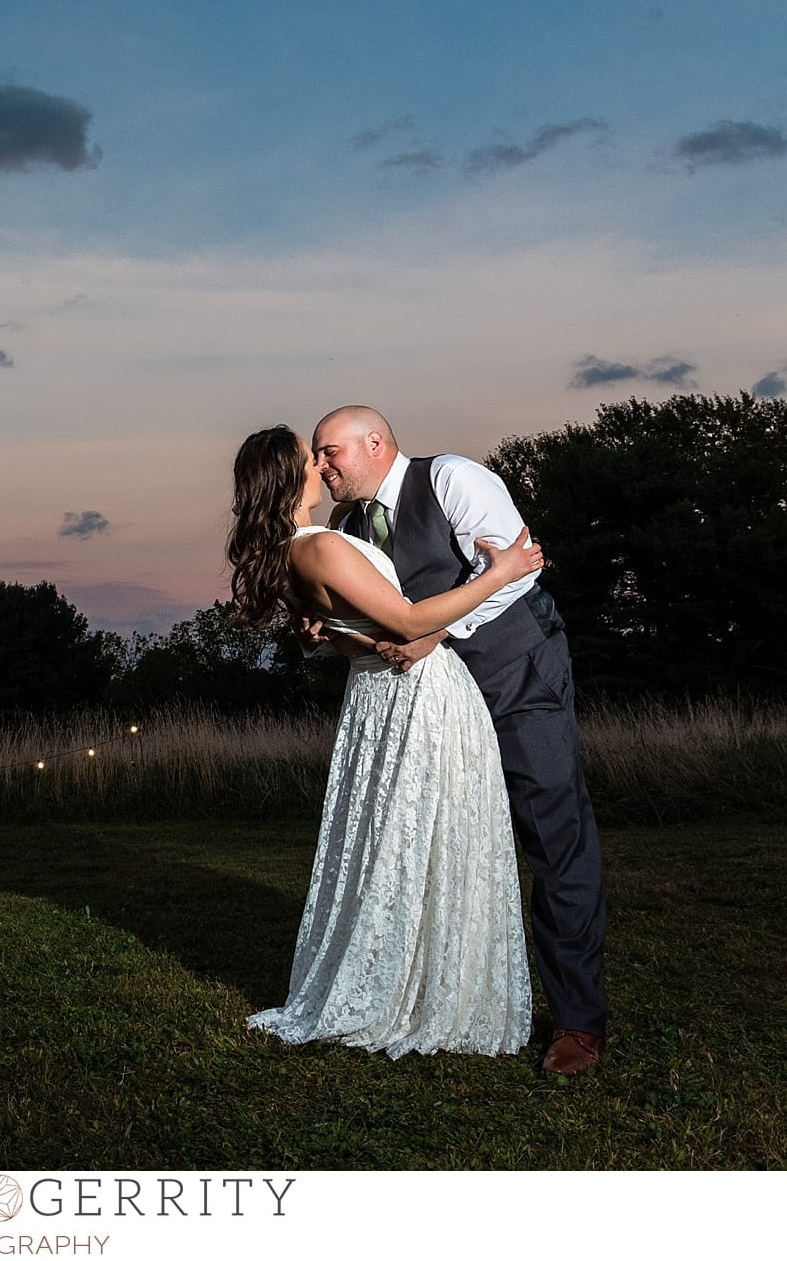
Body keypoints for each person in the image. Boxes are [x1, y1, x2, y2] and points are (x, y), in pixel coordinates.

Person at [310, 405, 608, 1077]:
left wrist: (437, 633)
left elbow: (519, 570)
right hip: (430, 705)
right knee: (445, 847)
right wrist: (332, 630)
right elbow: (378, 627)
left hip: (516, 673)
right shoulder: (347, 527)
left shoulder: (451, 480)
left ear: (375, 443)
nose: (321, 467)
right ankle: (446, 995)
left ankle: (579, 1021)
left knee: (553, 831)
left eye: (330, 453)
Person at [229, 425, 541, 1059]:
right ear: (289, 478)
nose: (321, 463)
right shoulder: (319, 545)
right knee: (435, 832)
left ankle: (413, 978)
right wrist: (500, 570)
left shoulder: (294, 553)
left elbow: (350, 636)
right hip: (420, 692)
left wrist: (350, 637)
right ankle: (427, 993)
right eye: (308, 456)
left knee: (399, 835)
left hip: (376, 692)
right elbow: (407, 620)